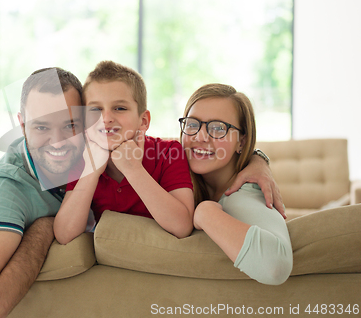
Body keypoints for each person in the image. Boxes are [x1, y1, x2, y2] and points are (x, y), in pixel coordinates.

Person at [54, 61, 284, 245]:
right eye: (95, 109)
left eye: (120, 108)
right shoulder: (82, 160)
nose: (106, 118)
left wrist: (133, 169)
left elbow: (182, 225)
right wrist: (91, 173)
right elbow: (65, 235)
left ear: (143, 121)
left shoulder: (170, 152)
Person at [0, 67, 88, 318]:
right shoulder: (1, 188)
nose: (57, 140)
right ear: (22, 125)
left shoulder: (94, 156)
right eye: (42, 127)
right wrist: (46, 228)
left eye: (70, 125)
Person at [179, 83, 293, 285]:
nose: (200, 137)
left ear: (242, 141)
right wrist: (259, 158)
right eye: (192, 124)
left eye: (217, 128)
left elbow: (276, 267)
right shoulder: (177, 172)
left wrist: (206, 213)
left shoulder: (243, 196)